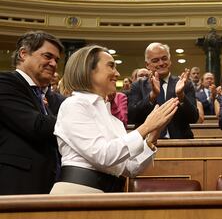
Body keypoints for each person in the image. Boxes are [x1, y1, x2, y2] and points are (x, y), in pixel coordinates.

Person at [50, 45, 178, 194]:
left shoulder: (113, 119)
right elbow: (103, 155)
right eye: (111, 66)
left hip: (110, 194)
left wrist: (153, 135)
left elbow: (130, 168)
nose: (117, 73)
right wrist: (146, 127)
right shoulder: (74, 105)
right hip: (77, 193)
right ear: (88, 70)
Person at [0, 30, 64, 194]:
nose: (53, 63)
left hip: (49, 187)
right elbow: (37, 125)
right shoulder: (6, 83)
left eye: (56, 60)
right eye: (47, 56)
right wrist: (81, 121)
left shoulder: (53, 99)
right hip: (15, 186)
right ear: (23, 54)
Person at [128, 42, 199, 139]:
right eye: (155, 60)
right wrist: (152, 96)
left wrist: (181, 96)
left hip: (180, 144)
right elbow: (132, 117)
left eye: (164, 59)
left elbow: (194, 118)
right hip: (146, 144)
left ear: (170, 61)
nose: (161, 63)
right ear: (147, 65)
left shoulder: (184, 84)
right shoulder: (138, 86)